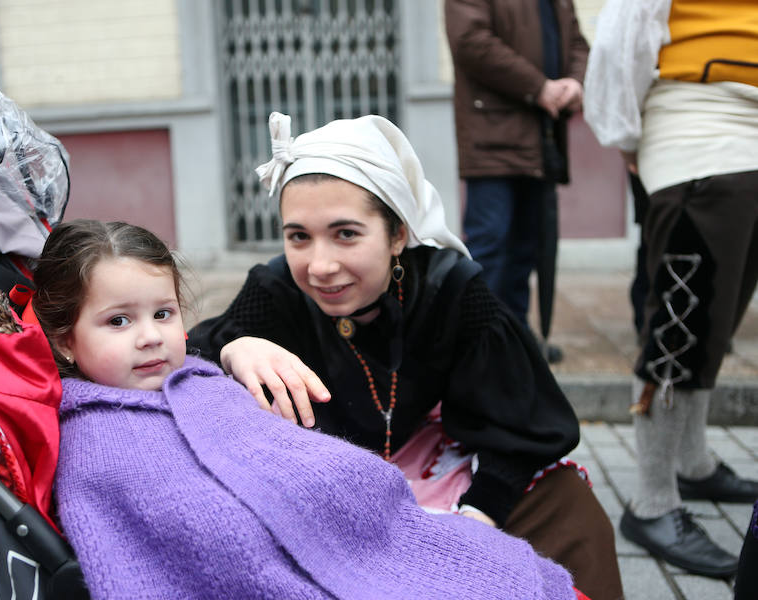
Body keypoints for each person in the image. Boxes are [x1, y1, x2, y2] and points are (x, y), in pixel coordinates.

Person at [187, 113, 623, 600]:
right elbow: (185, 365)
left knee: (570, 508)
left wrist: (477, 518)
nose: (320, 265)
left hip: (437, 469)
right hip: (324, 487)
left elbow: (519, 428)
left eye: (346, 234)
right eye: (298, 237)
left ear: (397, 234)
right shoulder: (276, 290)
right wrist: (233, 347)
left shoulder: (454, 292)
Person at [31, 219, 585, 600]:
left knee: (531, 543)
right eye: (119, 321)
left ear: (396, 237)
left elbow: (305, 463)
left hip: (388, 517)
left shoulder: (454, 290)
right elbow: (165, 539)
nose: (151, 338)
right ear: (61, 339)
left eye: (164, 313)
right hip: (289, 565)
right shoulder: (91, 440)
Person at [584, 0, 758, 579]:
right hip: (701, 128)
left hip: (744, 133)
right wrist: (628, 136)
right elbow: (620, 39)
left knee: (719, 318)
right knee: (684, 324)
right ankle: (653, 503)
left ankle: (694, 463)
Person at [444, 0, 590, 364]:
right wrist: (539, 87)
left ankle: (514, 339)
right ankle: (480, 344)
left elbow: (577, 44)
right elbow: (470, 42)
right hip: (493, 135)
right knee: (491, 246)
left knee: (527, 249)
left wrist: (574, 82)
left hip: (541, 137)